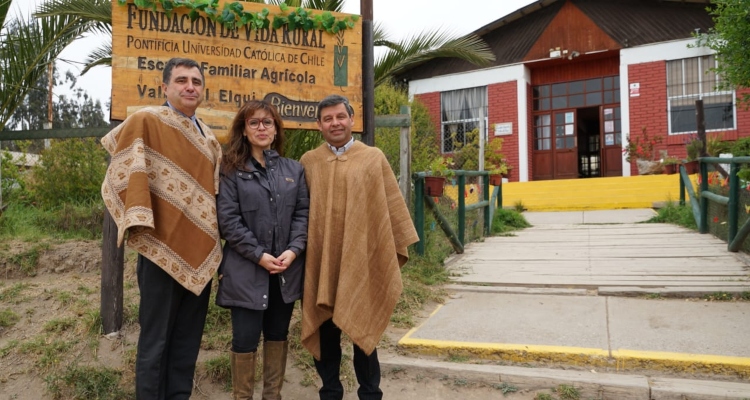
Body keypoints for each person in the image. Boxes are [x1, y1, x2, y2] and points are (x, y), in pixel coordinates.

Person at [100, 57, 223, 399]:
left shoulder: (209, 138)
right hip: (159, 251)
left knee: (186, 345)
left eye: (196, 81)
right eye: (182, 80)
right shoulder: (147, 120)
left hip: (198, 252)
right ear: (165, 86)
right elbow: (125, 167)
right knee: (155, 343)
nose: (189, 87)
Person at [299, 95, 419, 400]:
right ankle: (330, 392)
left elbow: (388, 211)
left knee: (363, 327)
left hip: (361, 262)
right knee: (326, 334)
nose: (335, 123)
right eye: (328, 119)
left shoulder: (373, 158)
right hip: (323, 263)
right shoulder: (309, 163)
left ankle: (370, 393)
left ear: (352, 120)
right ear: (319, 125)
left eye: (340, 117)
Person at [216, 100, 309, 400]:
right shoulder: (230, 170)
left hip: (284, 272)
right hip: (245, 272)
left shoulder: (294, 170)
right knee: (244, 341)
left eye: (267, 122)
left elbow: (303, 214)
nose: (261, 128)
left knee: (277, 337)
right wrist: (258, 255)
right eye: (254, 122)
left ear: (276, 129)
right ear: (244, 130)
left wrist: (294, 250)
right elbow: (228, 221)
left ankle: (273, 396)